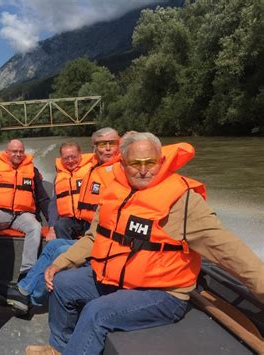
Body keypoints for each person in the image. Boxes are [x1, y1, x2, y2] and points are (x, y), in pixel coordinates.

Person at [25, 132, 264, 355]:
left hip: (162, 293)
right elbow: (95, 237)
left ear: (160, 161)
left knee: (96, 312)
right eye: (135, 164)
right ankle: (59, 347)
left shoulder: (183, 200)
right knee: (63, 283)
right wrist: (60, 263)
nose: (142, 170)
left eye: (150, 163)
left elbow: (229, 250)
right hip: (120, 280)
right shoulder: (114, 193)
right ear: (122, 164)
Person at [0, 128, 121, 313]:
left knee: (59, 248)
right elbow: (54, 203)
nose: (106, 149)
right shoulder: (94, 171)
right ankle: (24, 288)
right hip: (93, 230)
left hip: (108, 239)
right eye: (101, 145)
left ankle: (30, 296)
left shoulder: (119, 170)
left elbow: (42, 198)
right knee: (54, 243)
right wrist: (50, 226)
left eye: (111, 144)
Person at [0, 139, 50, 283]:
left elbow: (42, 198)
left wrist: (52, 222)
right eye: (14, 151)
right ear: (7, 152)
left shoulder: (32, 171)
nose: (18, 154)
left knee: (35, 227)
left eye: (21, 151)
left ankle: (27, 271)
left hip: (23, 215)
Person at [45, 141, 95, 241]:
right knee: (59, 225)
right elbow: (54, 203)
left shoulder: (93, 171)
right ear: (61, 158)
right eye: (66, 158)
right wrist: (51, 228)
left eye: (74, 157)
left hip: (90, 218)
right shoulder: (58, 178)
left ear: (80, 155)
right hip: (71, 220)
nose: (70, 161)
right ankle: (66, 252)